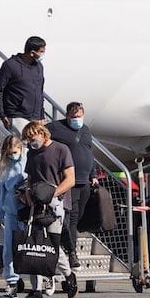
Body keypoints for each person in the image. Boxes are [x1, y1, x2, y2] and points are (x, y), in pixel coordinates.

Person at [21, 122, 77, 298]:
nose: (31, 142)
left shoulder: (61, 150)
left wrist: (53, 194)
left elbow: (70, 180)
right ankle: (36, 289)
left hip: (54, 203)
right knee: (33, 244)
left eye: (33, 138)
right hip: (35, 202)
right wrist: (29, 196)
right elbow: (30, 178)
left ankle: (68, 275)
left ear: (42, 133)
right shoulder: (32, 153)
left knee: (52, 244)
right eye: (28, 140)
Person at [47, 101, 96, 269]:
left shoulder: (86, 130)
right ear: (67, 116)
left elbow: (89, 152)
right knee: (72, 217)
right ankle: (71, 253)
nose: (77, 119)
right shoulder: (56, 127)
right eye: (74, 117)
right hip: (70, 181)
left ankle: (68, 246)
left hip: (85, 180)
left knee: (79, 216)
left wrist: (93, 174)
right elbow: (41, 136)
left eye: (79, 116)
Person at [0, 134, 27, 298]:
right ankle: (12, 282)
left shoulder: (28, 159)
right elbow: (1, 194)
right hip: (11, 213)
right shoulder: (4, 166)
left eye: (14, 152)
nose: (12, 155)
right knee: (8, 250)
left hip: (28, 212)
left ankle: (41, 282)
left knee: (31, 246)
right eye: (9, 153)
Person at [0, 36, 46, 136]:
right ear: (32, 53)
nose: (43, 54)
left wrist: (41, 115)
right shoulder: (10, 65)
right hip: (17, 115)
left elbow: (39, 92)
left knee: (35, 147)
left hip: (35, 117)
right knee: (21, 147)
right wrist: (2, 114)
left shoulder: (39, 66)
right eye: (41, 51)